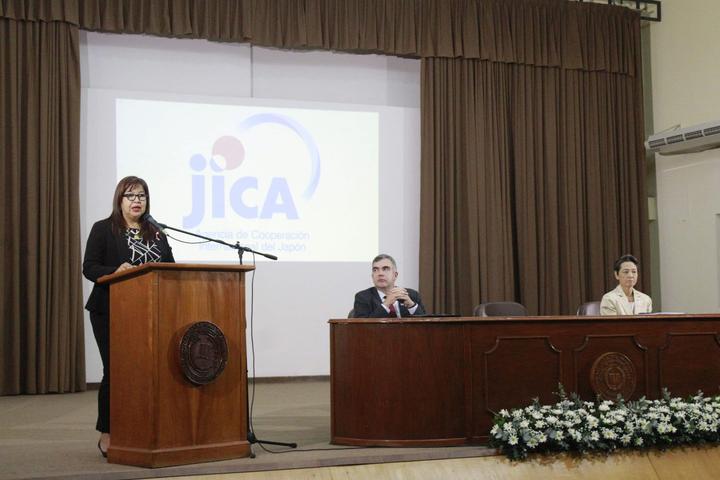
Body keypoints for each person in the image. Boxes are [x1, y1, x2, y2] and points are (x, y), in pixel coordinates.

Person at [82, 176, 175, 457]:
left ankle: (143, 430)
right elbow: (89, 267)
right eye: (130, 195)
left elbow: (170, 267)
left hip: (150, 310)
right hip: (110, 309)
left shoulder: (156, 232)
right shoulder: (104, 229)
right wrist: (115, 271)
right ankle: (107, 433)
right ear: (119, 200)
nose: (137, 201)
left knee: (148, 372)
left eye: (142, 196)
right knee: (115, 371)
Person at [353, 254, 426, 318]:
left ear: (395, 275)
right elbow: (363, 327)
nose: (380, 273)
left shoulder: (412, 295)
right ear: (372, 276)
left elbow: (425, 325)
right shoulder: (363, 297)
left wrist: (411, 306)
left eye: (385, 269)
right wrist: (386, 304)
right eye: (375, 270)